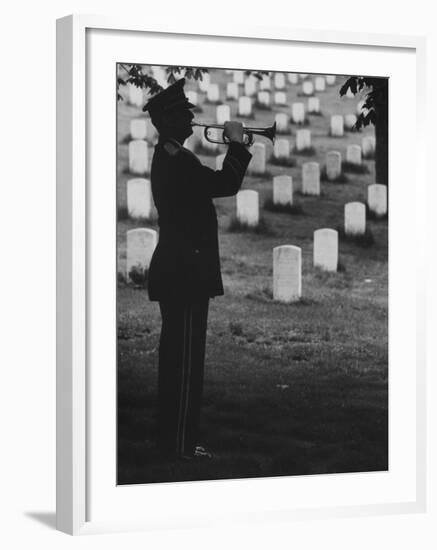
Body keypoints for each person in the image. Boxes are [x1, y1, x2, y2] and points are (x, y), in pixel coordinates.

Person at [143, 77, 252, 460]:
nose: (191, 124)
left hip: (180, 270)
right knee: (184, 365)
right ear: (170, 122)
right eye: (184, 118)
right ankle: (179, 447)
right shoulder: (177, 161)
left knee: (180, 360)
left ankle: (178, 441)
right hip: (184, 274)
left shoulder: (173, 156)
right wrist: (237, 143)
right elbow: (225, 183)